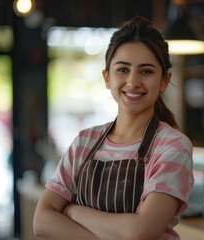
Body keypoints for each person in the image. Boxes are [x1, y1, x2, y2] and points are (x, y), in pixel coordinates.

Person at [33, 16, 194, 240]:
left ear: (165, 80)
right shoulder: (84, 142)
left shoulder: (172, 146)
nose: (133, 81)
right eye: (122, 70)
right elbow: (41, 221)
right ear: (107, 77)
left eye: (146, 71)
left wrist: (72, 210)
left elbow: (140, 232)